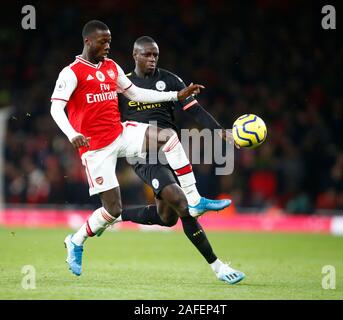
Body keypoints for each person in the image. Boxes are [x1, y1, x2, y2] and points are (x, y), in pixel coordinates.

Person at [50, 20, 236, 281]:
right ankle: (76, 240)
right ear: (88, 42)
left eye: (110, 42)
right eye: (103, 42)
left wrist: (176, 96)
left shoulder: (112, 68)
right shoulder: (71, 73)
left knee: (168, 137)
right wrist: (72, 134)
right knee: (112, 209)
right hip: (96, 149)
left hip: (120, 133)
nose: (108, 46)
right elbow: (56, 109)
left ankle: (194, 198)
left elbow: (137, 94)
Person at [100, 36, 245, 284]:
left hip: (170, 150)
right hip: (144, 154)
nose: (152, 59)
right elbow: (112, 122)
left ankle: (115, 216)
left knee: (167, 218)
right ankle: (218, 266)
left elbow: (195, 110)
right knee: (183, 203)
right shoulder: (123, 85)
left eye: (155, 55)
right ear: (135, 55)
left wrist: (219, 131)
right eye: (147, 55)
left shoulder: (170, 80)